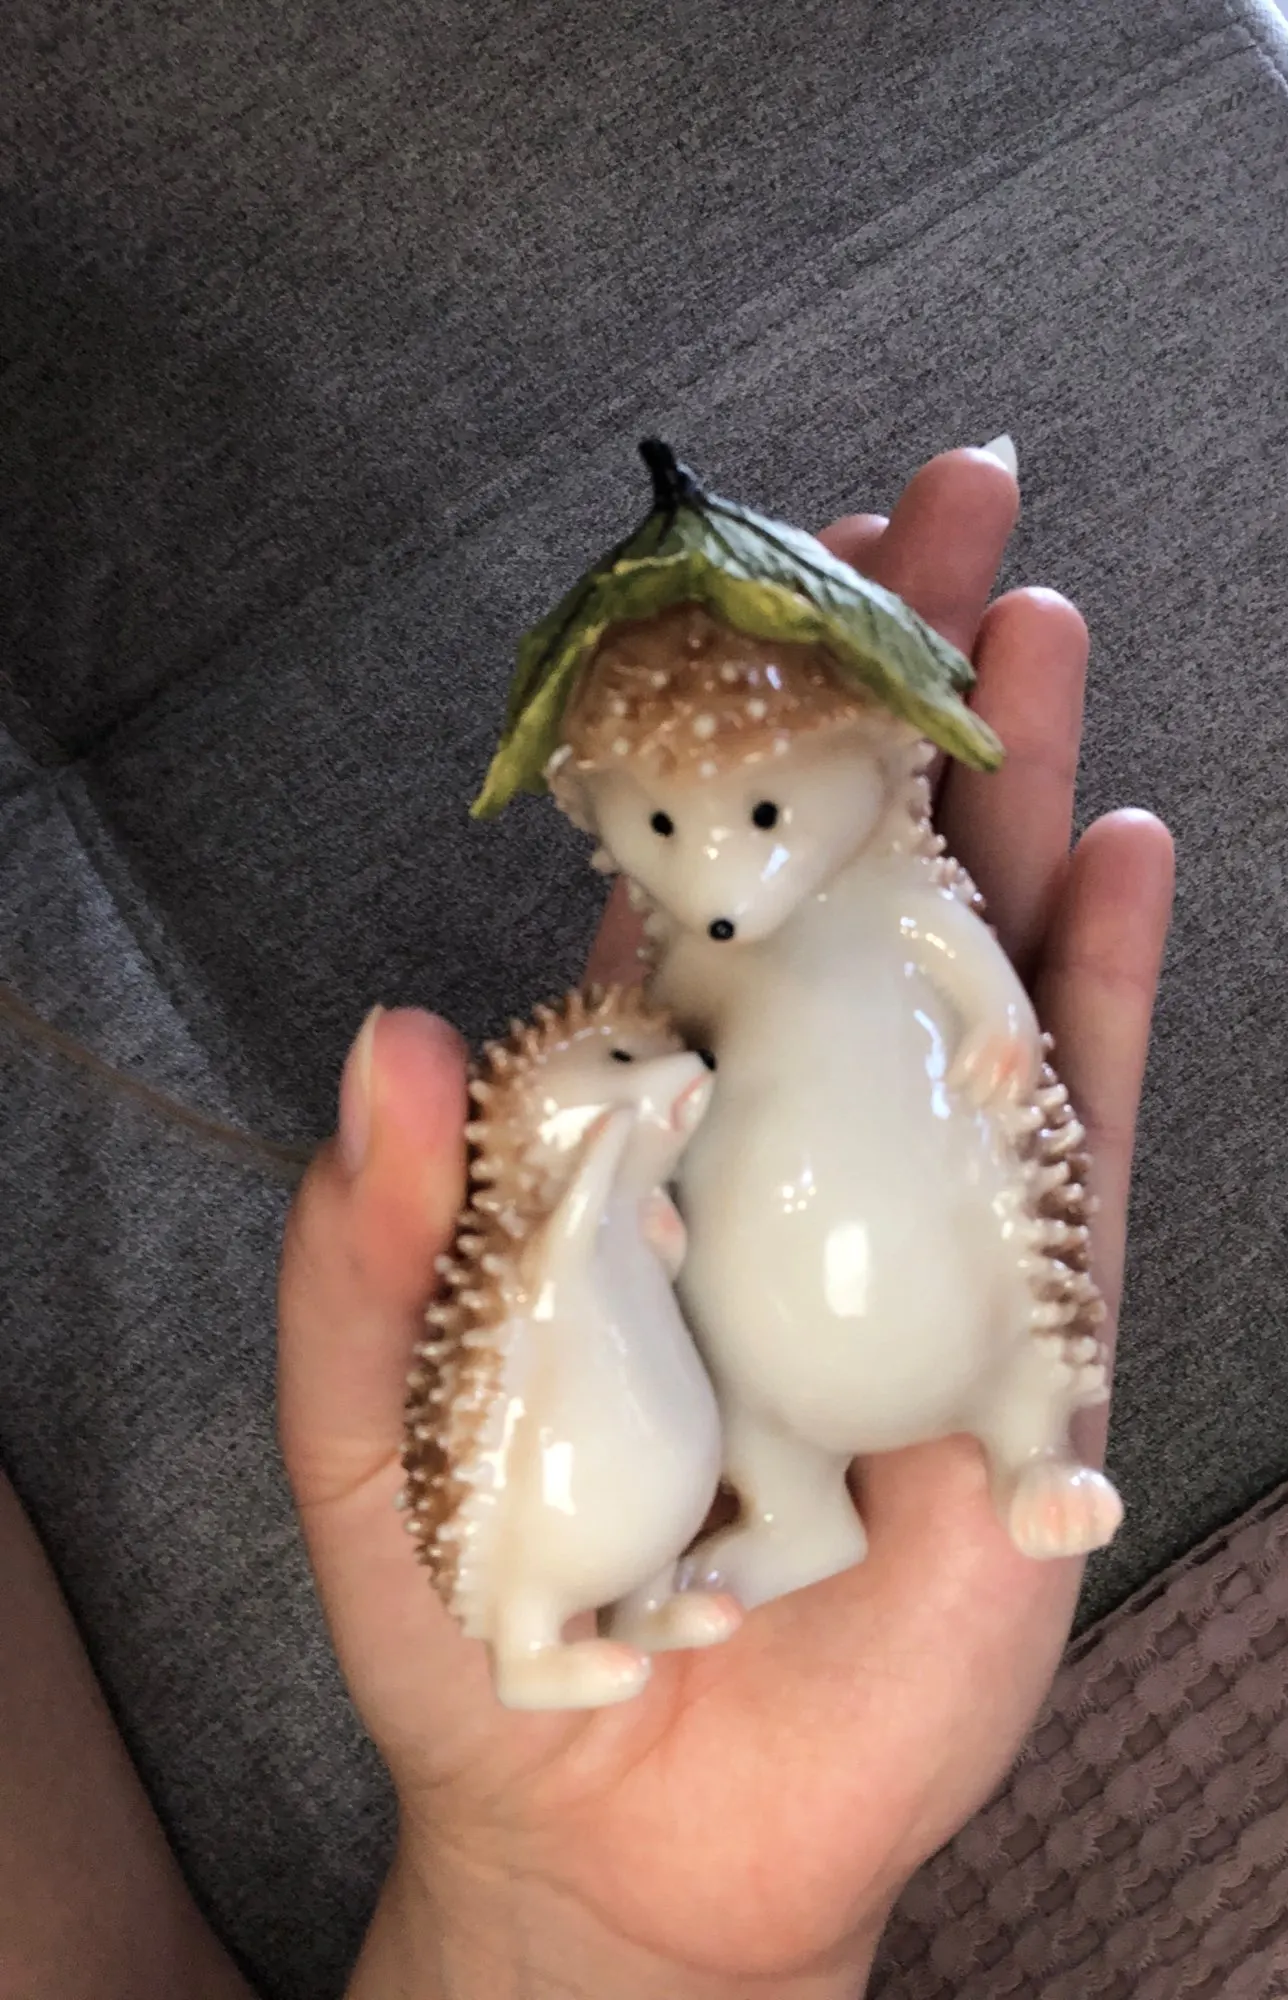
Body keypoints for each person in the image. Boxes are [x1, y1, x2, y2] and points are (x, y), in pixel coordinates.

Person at [1, 447, 1173, 1999]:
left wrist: (998, 1023)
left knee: (1030, 1302)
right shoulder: (683, 970)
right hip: (758, 1367)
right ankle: (795, 1516)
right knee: (743, 1410)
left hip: (950, 1277)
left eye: (763, 813)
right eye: (668, 833)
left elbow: (966, 970)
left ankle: (1028, 1447)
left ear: (875, 743)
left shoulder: (899, 899)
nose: (725, 880)